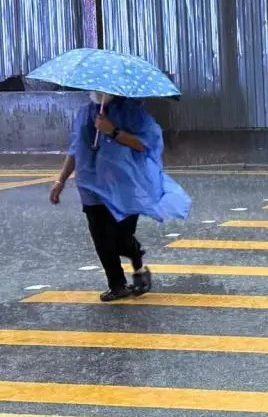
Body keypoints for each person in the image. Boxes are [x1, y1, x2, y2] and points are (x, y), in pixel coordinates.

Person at [49, 91, 191, 301]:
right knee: (101, 237)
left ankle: (137, 261)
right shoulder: (85, 113)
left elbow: (144, 144)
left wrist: (113, 131)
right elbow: (75, 149)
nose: (97, 92)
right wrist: (60, 180)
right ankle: (116, 284)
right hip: (91, 185)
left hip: (124, 185)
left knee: (121, 238)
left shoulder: (133, 112)